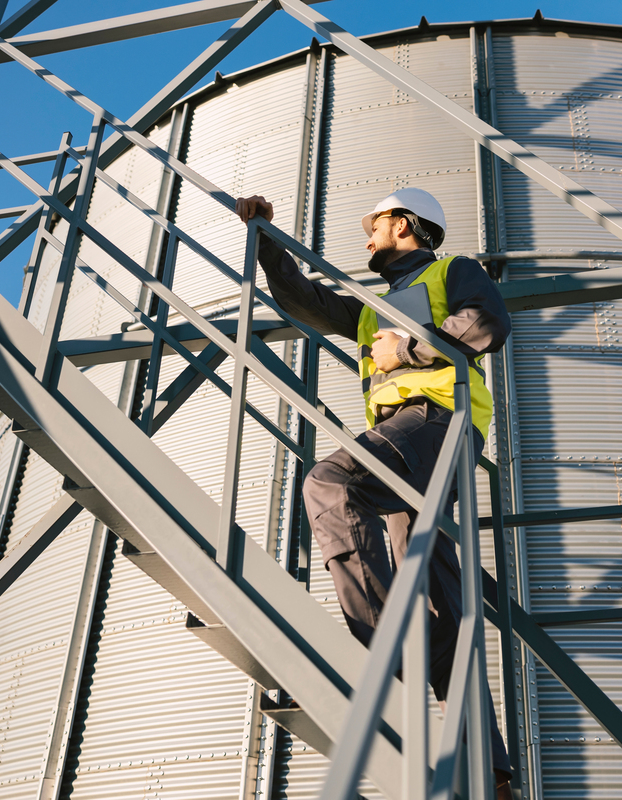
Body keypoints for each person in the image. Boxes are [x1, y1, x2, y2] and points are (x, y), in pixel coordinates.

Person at [234, 187, 514, 797]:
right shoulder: (369, 305)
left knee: (331, 483)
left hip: (439, 419)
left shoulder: (452, 270)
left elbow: (488, 323)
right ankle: (490, 771)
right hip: (407, 443)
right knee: (445, 612)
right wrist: (267, 242)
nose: (366, 235)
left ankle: (378, 640)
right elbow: (306, 301)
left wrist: (409, 347)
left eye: (377, 223)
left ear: (409, 225)